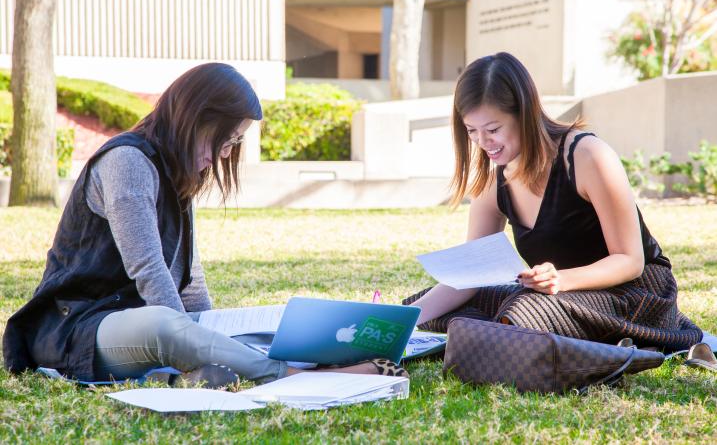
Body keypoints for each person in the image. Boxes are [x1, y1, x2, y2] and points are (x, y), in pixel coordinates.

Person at [3, 63, 405, 387]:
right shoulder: (126, 162)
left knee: (251, 327)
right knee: (166, 326)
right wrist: (196, 338)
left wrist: (213, 332)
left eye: (234, 144)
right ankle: (296, 377)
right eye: (226, 140)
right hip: (77, 329)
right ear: (195, 119)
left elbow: (189, 280)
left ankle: (194, 374)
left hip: (138, 326)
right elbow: (149, 271)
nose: (223, 155)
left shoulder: (176, 173)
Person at [404, 52, 702, 352]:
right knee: (428, 307)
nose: (483, 143)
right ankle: (500, 333)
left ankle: (507, 334)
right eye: (472, 132)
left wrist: (561, 279)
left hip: (634, 293)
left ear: (524, 113)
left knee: (523, 313)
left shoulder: (587, 156)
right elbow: (471, 277)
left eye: (493, 130)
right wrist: (401, 320)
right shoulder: (494, 181)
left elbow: (630, 261)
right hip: (558, 297)